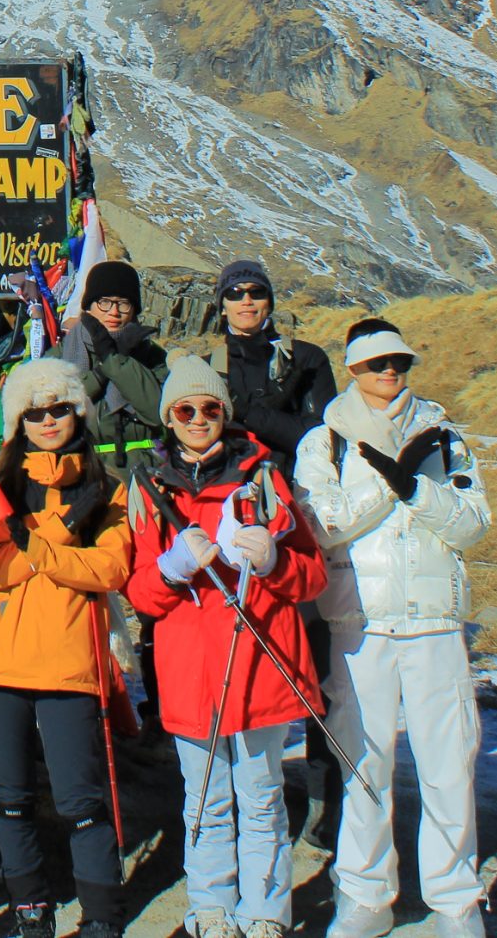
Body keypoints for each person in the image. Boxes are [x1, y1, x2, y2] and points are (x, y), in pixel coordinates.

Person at [293, 319, 491, 938]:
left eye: (398, 361)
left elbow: (473, 525)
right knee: (364, 764)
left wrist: (419, 491)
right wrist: (390, 484)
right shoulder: (325, 441)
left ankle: (455, 899)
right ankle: (364, 894)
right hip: (362, 623)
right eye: (376, 363)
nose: (389, 372)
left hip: (434, 621)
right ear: (352, 368)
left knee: (448, 764)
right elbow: (321, 524)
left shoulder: (445, 437)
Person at [125, 356, 327, 938]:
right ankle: (210, 909)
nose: (198, 418)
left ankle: (264, 912)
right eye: (184, 409)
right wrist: (171, 569)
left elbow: (312, 578)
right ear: (168, 417)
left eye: (210, 408)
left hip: (261, 663)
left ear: (225, 413)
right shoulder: (148, 489)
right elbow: (140, 593)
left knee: (261, 797)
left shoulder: (264, 480)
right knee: (205, 800)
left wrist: (275, 560)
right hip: (191, 670)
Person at [0, 358, 135, 938]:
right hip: (1, 662)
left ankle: (102, 915)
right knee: (11, 799)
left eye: (59, 408)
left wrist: (39, 548)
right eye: (34, 412)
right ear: (18, 420)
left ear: (78, 412)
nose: (47, 420)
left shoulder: (106, 488)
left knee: (81, 801)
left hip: (69, 662)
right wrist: (65, 534)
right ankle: (30, 911)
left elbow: (112, 569)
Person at [208, 258, 341, 846]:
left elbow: (321, 438)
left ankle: (326, 799)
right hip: (227, 524)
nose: (245, 300)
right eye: (234, 292)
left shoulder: (306, 359)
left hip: (297, 522)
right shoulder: (208, 363)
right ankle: (236, 795)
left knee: (316, 660)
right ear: (220, 303)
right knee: (233, 655)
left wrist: (252, 415)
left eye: (255, 291)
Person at [60, 260, 170, 465]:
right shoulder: (61, 354)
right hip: (82, 468)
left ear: (134, 309)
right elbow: (61, 407)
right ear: (89, 306)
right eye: (104, 302)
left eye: (123, 303)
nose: (114, 312)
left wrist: (115, 361)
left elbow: (157, 414)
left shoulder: (152, 356)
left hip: (144, 469)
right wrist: (101, 373)